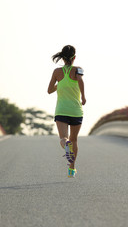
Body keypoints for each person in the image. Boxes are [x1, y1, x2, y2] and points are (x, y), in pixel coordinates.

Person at [47, 45, 86, 178]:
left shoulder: (57, 72)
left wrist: (61, 83)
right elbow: (80, 80)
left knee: (64, 138)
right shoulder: (78, 70)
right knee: (74, 140)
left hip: (62, 110)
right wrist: (84, 96)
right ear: (74, 57)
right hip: (76, 111)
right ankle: (71, 169)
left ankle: (65, 145)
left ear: (62, 58)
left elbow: (49, 90)